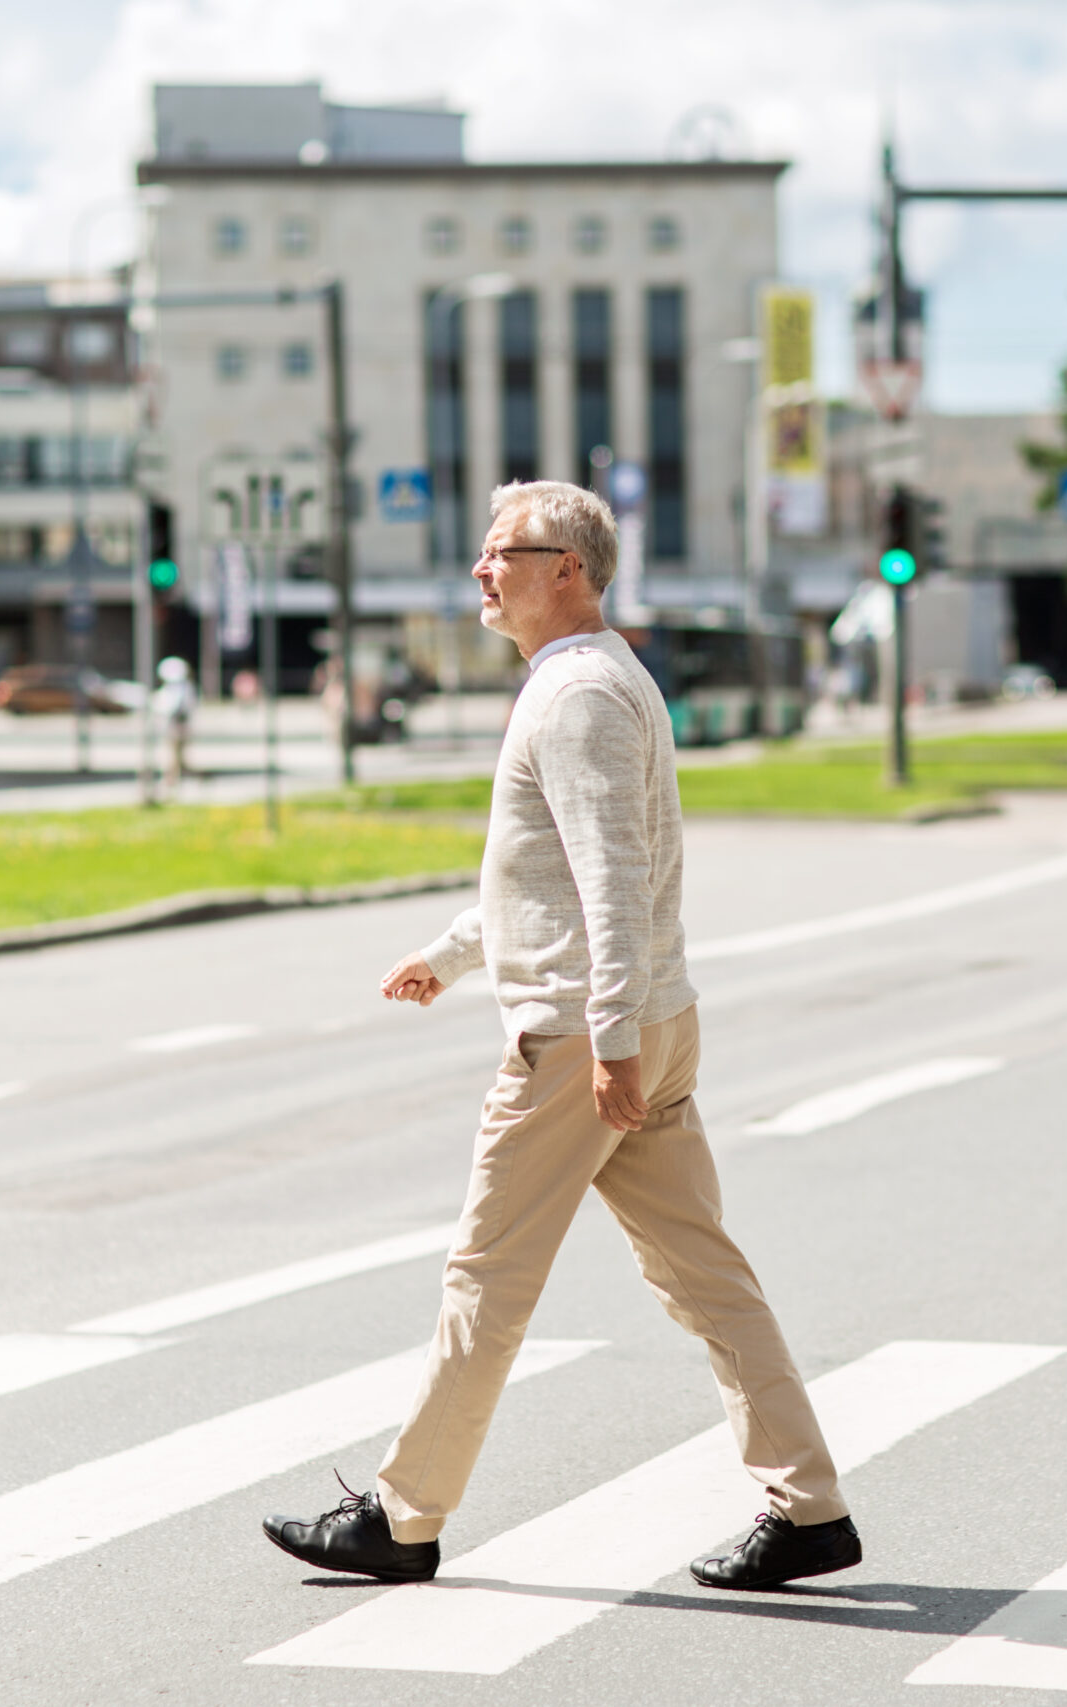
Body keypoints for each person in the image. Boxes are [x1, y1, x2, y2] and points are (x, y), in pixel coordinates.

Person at [262, 481, 860, 1592]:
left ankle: (400, 1521)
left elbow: (611, 882)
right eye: (482, 553)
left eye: (504, 554)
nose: (482, 571)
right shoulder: (597, 679)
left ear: (567, 570)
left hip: (585, 1041)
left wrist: (609, 1038)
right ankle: (809, 1506)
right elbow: (543, 875)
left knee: (485, 1277)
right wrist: (448, 955)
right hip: (643, 1023)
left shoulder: (576, 695)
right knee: (705, 1278)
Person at [151, 655, 196, 800]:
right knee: (173, 756)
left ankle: (172, 782)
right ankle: (173, 781)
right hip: (173, 727)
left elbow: (173, 708)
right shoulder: (183, 688)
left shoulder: (180, 689)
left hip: (175, 727)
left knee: (174, 757)